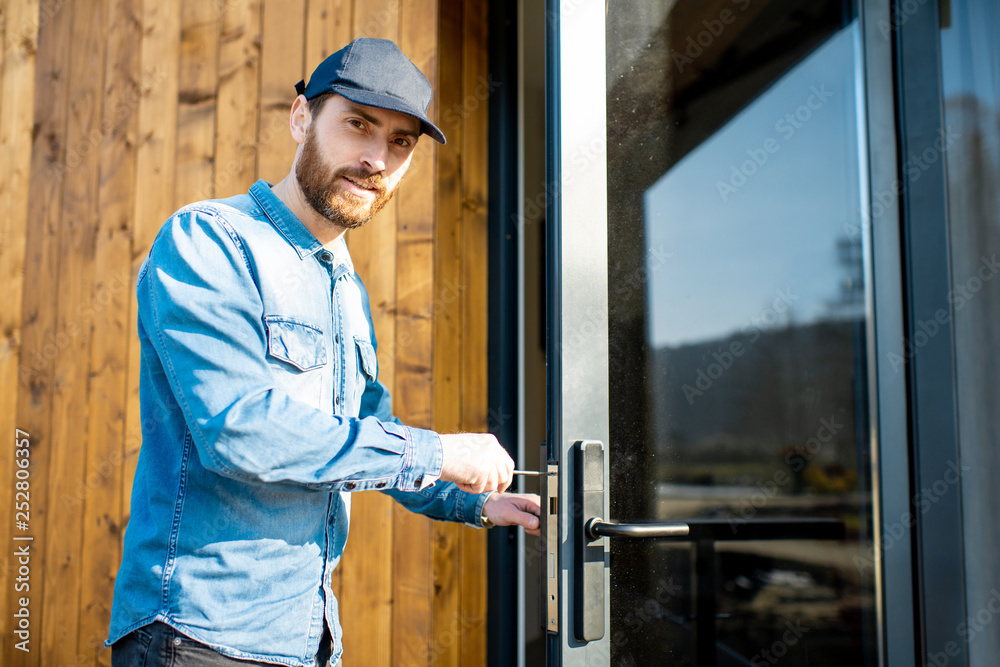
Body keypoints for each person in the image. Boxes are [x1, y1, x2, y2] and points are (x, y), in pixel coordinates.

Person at [106, 37, 541, 667]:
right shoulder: (211, 240)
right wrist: (438, 452)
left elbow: (366, 435)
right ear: (301, 117)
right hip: (197, 638)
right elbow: (240, 431)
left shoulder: (342, 281)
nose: (375, 159)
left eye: (400, 143)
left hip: (308, 639)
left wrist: (472, 501)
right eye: (358, 125)